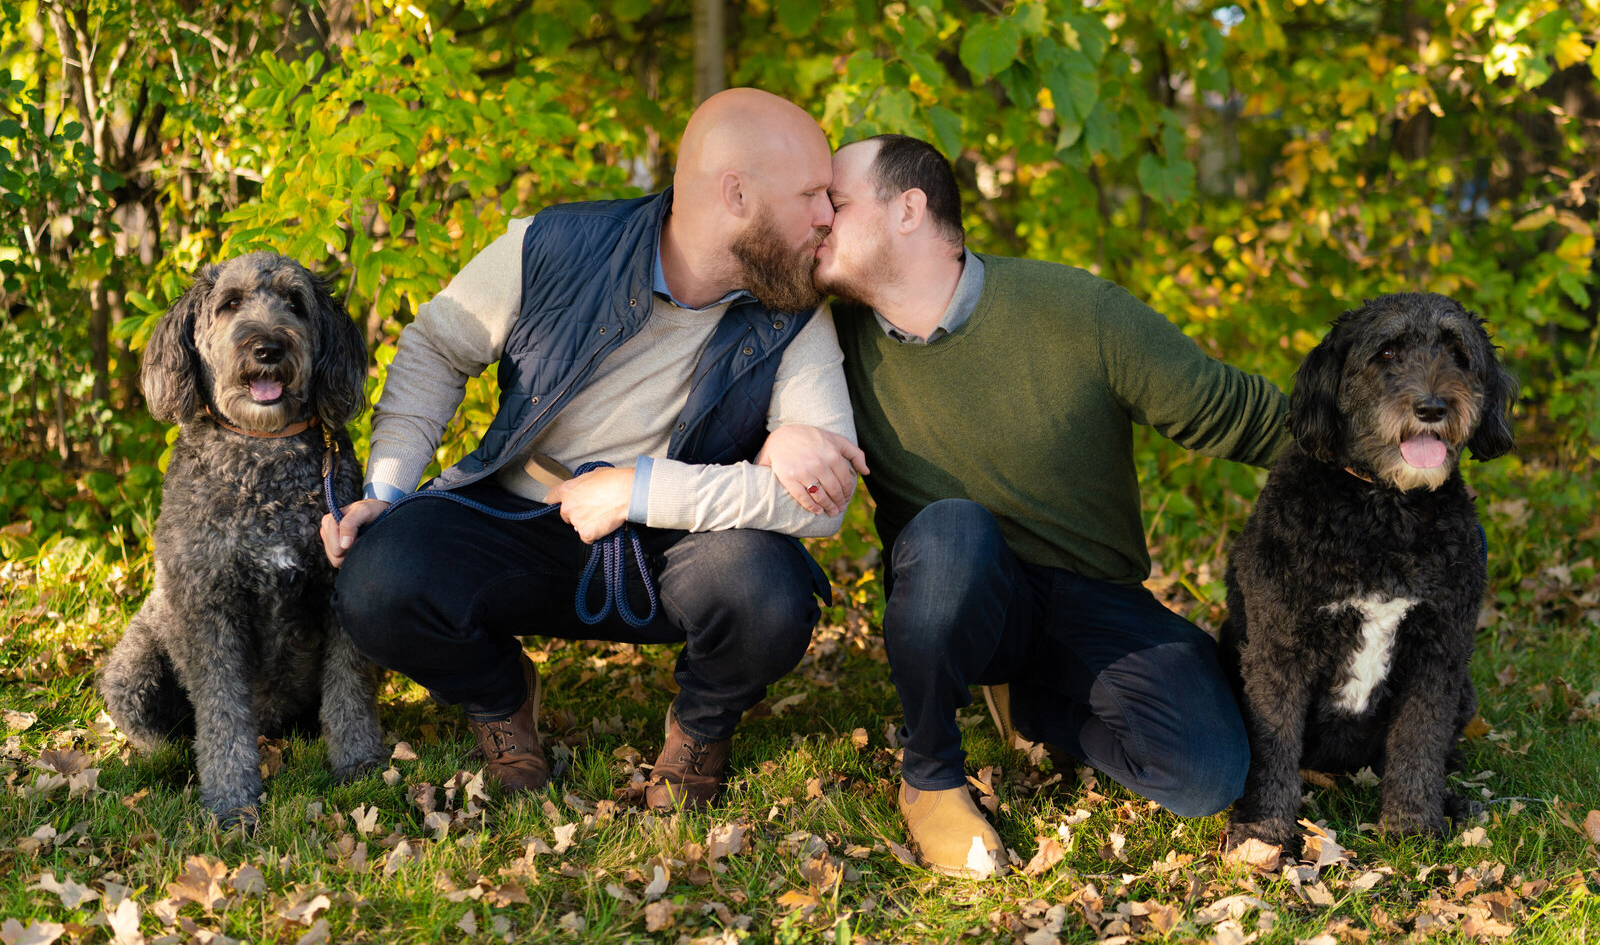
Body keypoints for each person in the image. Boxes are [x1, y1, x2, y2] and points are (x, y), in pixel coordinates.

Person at [324, 88, 869, 811]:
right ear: (736, 193)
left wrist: (639, 490)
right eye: (813, 194)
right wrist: (387, 491)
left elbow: (823, 507)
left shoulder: (795, 313)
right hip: (516, 524)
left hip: (681, 547)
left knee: (771, 594)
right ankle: (501, 697)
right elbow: (433, 348)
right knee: (375, 579)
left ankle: (699, 728)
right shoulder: (550, 245)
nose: (829, 216)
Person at [766, 134, 1290, 877]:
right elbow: (730, 394)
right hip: (961, 589)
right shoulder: (823, 343)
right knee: (952, 527)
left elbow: (1235, 411)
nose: (819, 219)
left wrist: (1380, 452)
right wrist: (779, 436)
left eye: (837, 203)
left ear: (909, 208)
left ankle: (1035, 708)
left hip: (1092, 596)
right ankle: (931, 777)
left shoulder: (1075, 311)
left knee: (1206, 774)